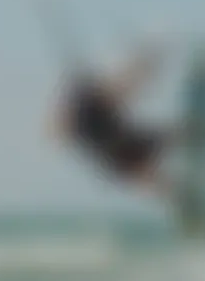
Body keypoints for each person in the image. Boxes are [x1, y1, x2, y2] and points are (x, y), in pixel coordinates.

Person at [48, 41, 186, 200]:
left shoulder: (91, 108)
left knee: (149, 161)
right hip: (118, 147)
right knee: (148, 163)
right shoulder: (91, 108)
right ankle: (174, 188)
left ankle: (174, 187)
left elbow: (123, 88)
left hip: (117, 146)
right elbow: (123, 88)